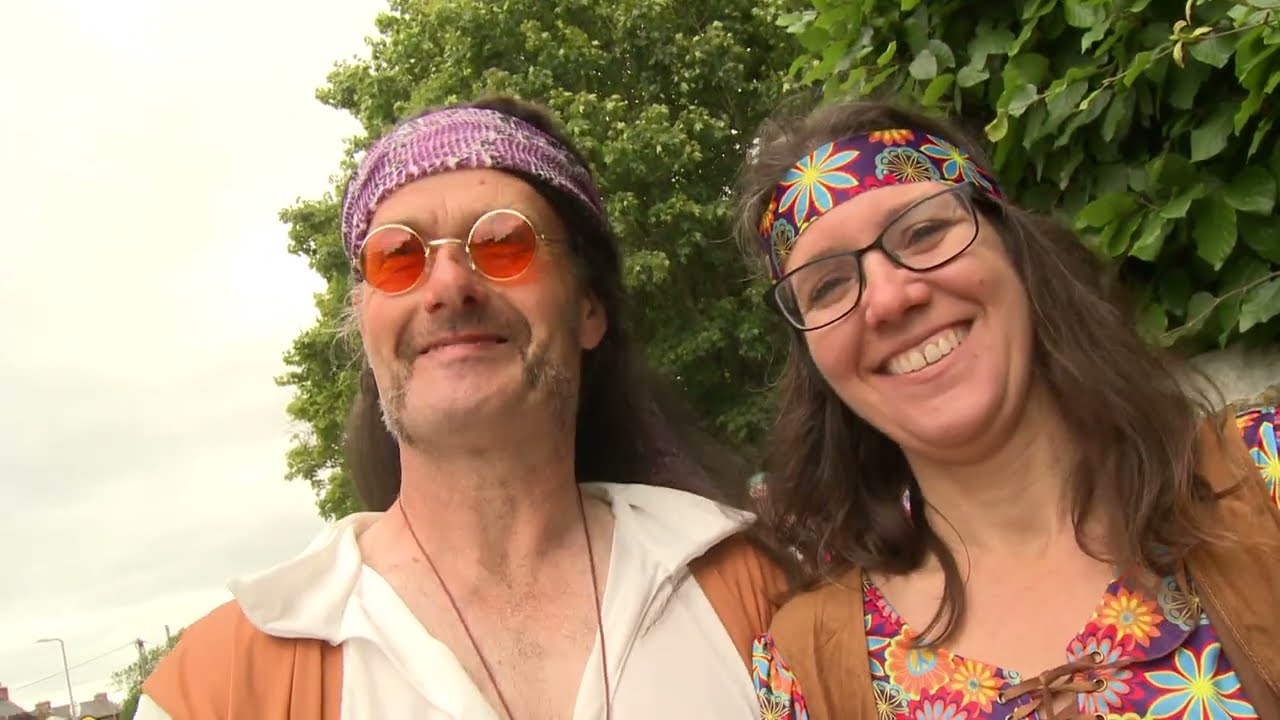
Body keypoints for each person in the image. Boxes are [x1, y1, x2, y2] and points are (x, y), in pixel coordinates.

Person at [137, 95, 790, 719]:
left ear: (588, 309)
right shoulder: (219, 689)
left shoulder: (758, 598)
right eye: (397, 256)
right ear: (364, 325)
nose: (449, 285)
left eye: (503, 241)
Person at [734, 98, 1280, 719]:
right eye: (829, 285)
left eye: (923, 232)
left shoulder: (1263, 478)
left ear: (1015, 249)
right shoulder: (808, 672)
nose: (887, 300)